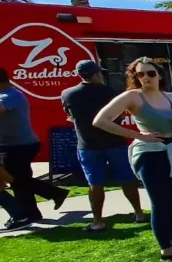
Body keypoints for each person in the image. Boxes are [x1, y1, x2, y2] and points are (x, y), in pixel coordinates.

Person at [93, 57, 172, 261]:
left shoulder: (169, 97)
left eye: (150, 73)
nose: (145, 77)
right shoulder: (132, 96)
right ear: (135, 77)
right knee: (159, 202)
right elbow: (100, 121)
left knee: (169, 201)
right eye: (140, 74)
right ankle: (167, 250)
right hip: (149, 152)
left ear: (159, 75)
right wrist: (138, 135)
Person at [61, 60, 146, 232]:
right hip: (114, 141)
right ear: (95, 74)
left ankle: (98, 221)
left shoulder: (68, 94)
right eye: (100, 73)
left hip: (87, 144)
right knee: (126, 178)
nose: (102, 76)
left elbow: (69, 115)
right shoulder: (109, 92)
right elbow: (120, 116)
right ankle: (139, 213)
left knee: (95, 183)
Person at [0, 67, 69, 227]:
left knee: (16, 180)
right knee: (19, 180)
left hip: (20, 145)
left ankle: (53, 195)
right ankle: (33, 213)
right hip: (13, 145)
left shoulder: (10, 95)